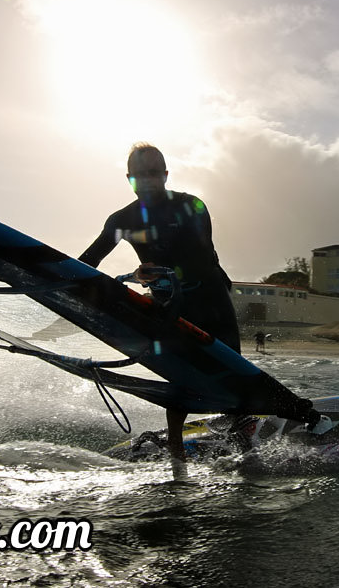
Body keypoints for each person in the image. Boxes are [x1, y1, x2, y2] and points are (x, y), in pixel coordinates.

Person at [79, 143, 241, 463]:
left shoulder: (191, 205)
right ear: (130, 179)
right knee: (179, 373)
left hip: (209, 293)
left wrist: (149, 273)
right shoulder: (121, 220)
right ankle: (177, 456)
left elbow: (199, 255)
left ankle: (240, 427)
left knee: (232, 366)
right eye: (140, 175)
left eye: (154, 172)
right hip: (170, 300)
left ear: (165, 174)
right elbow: (88, 262)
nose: (148, 180)